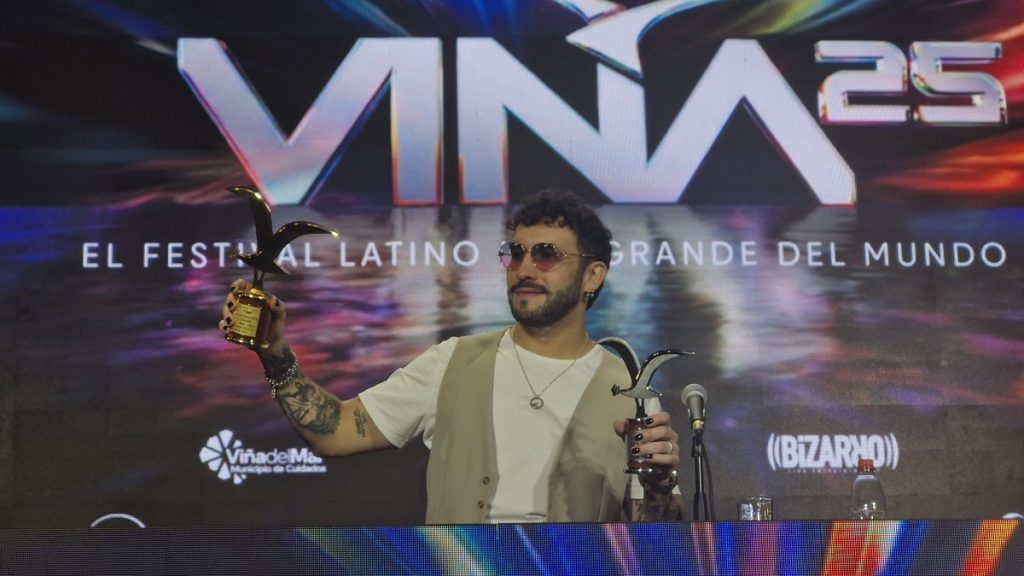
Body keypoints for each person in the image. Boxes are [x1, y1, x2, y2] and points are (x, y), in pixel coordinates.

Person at [219, 189, 684, 523]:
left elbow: (653, 537)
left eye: (545, 255)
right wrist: (275, 353)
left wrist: (660, 484)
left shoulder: (631, 391)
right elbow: (337, 432)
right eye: (514, 253)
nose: (524, 268)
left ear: (593, 276)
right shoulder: (453, 361)